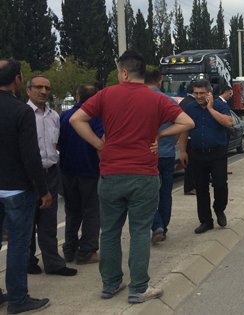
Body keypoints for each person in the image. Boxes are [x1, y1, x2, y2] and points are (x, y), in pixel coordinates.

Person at [70, 50, 194, 303]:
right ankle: (138, 288)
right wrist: (159, 136)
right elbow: (187, 122)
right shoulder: (157, 99)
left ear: (124, 72)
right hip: (143, 174)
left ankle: (111, 284)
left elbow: (76, 119)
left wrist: (99, 144)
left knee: (110, 232)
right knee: (139, 232)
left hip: (111, 174)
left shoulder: (106, 95)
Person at [0, 57, 51, 314]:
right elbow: (31, 157)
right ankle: (18, 299)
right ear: (18, 80)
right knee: (19, 245)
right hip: (17, 189)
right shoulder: (21, 111)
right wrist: (43, 190)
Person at [26, 75, 77, 277]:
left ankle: (53, 263)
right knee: (27, 221)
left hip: (51, 173)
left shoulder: (54, 116)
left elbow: (55, 145)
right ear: (29, 90)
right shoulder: (24, 114)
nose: (43, 91)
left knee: (48, 221)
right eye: (38, 87)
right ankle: (28, 261)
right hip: (29, 175)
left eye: (47, 87)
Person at [179, 82, 233, 234]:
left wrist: (210, 109)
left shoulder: (219, 106)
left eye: (202, 93)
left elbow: (228, 122)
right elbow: (184, 130)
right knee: (201, 189)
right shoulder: (190, 108)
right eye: (196, 93)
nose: (198, 96)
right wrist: (182, 151)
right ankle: (206, 221)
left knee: (220, 184)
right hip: (197, 154)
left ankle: (219, 208)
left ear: (209, 93)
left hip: (217, 153)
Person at [59, 84, 103, 265]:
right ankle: (87, 251)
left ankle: (69, 250)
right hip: (90, 171)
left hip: (67, 171)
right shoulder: (96, 117)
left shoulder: (64, 116)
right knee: (92, 212)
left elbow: (57, 142)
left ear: (77, 97)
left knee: (72, 212)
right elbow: (102, 141)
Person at [145, 69, 179, 245]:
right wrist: (171, 141)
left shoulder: (140, 100)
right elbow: (182, 125)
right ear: (160, 81)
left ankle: (156, 225)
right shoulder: (169, 101)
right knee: (165, 193)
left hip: (146, 156)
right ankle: (163, 227)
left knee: (148, 194)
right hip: (167, 154)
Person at [179, 83, 197, 196]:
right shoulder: (191, 103)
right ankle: (189, 187)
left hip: (185, 136)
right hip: (189, 136)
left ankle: (191, 186)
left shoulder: (183, 101)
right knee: (191, 165)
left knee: (190, 165)